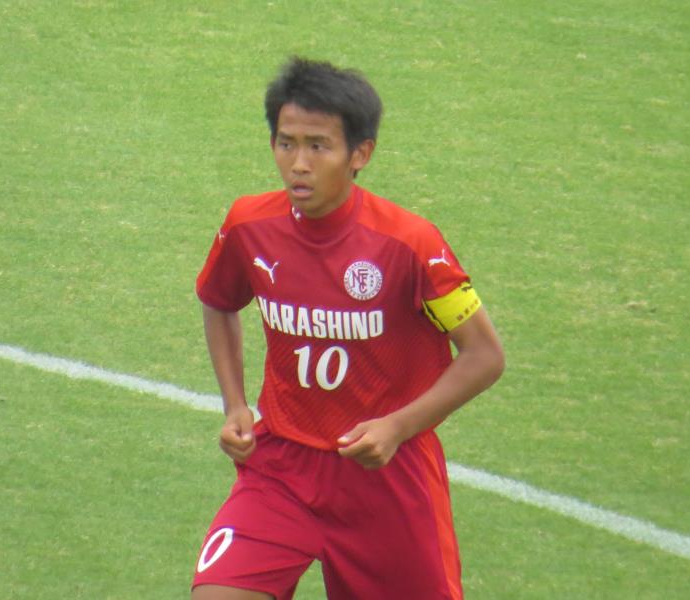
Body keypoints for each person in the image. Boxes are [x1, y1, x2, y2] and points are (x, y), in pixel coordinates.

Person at [192, 57, 505, 600]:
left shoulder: (412, 244)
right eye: (286, 143)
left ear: (360, 154)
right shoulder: (248, 225)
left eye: (319, 146)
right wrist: (235, 404)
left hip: (388, 479)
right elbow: (218, 302)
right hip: (281, 469)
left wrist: (397, 427)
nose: (298, 164)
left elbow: (484, 356)